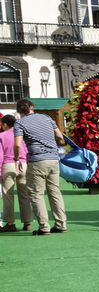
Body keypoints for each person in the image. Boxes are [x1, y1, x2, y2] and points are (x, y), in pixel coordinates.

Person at [12, 100, 67, 236]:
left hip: (37, 160)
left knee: (36, 194)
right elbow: (60, 136)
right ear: (32, 107)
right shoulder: (47, 118)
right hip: (53, 159)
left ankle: (44, 226)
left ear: (19, 111)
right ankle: (61, 224)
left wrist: (17, 159)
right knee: (55, 192)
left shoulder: (20, 123)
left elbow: (18, 144)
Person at [1, 114, 33, 232]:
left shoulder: (1, 136)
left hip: (8, 165)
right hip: (23, 165)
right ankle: (27, 222)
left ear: (4, 124)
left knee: (8, 195)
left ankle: (10, 223)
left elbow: (0, 156)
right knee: (24, 195)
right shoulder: (21, 135)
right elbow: (26, 150)